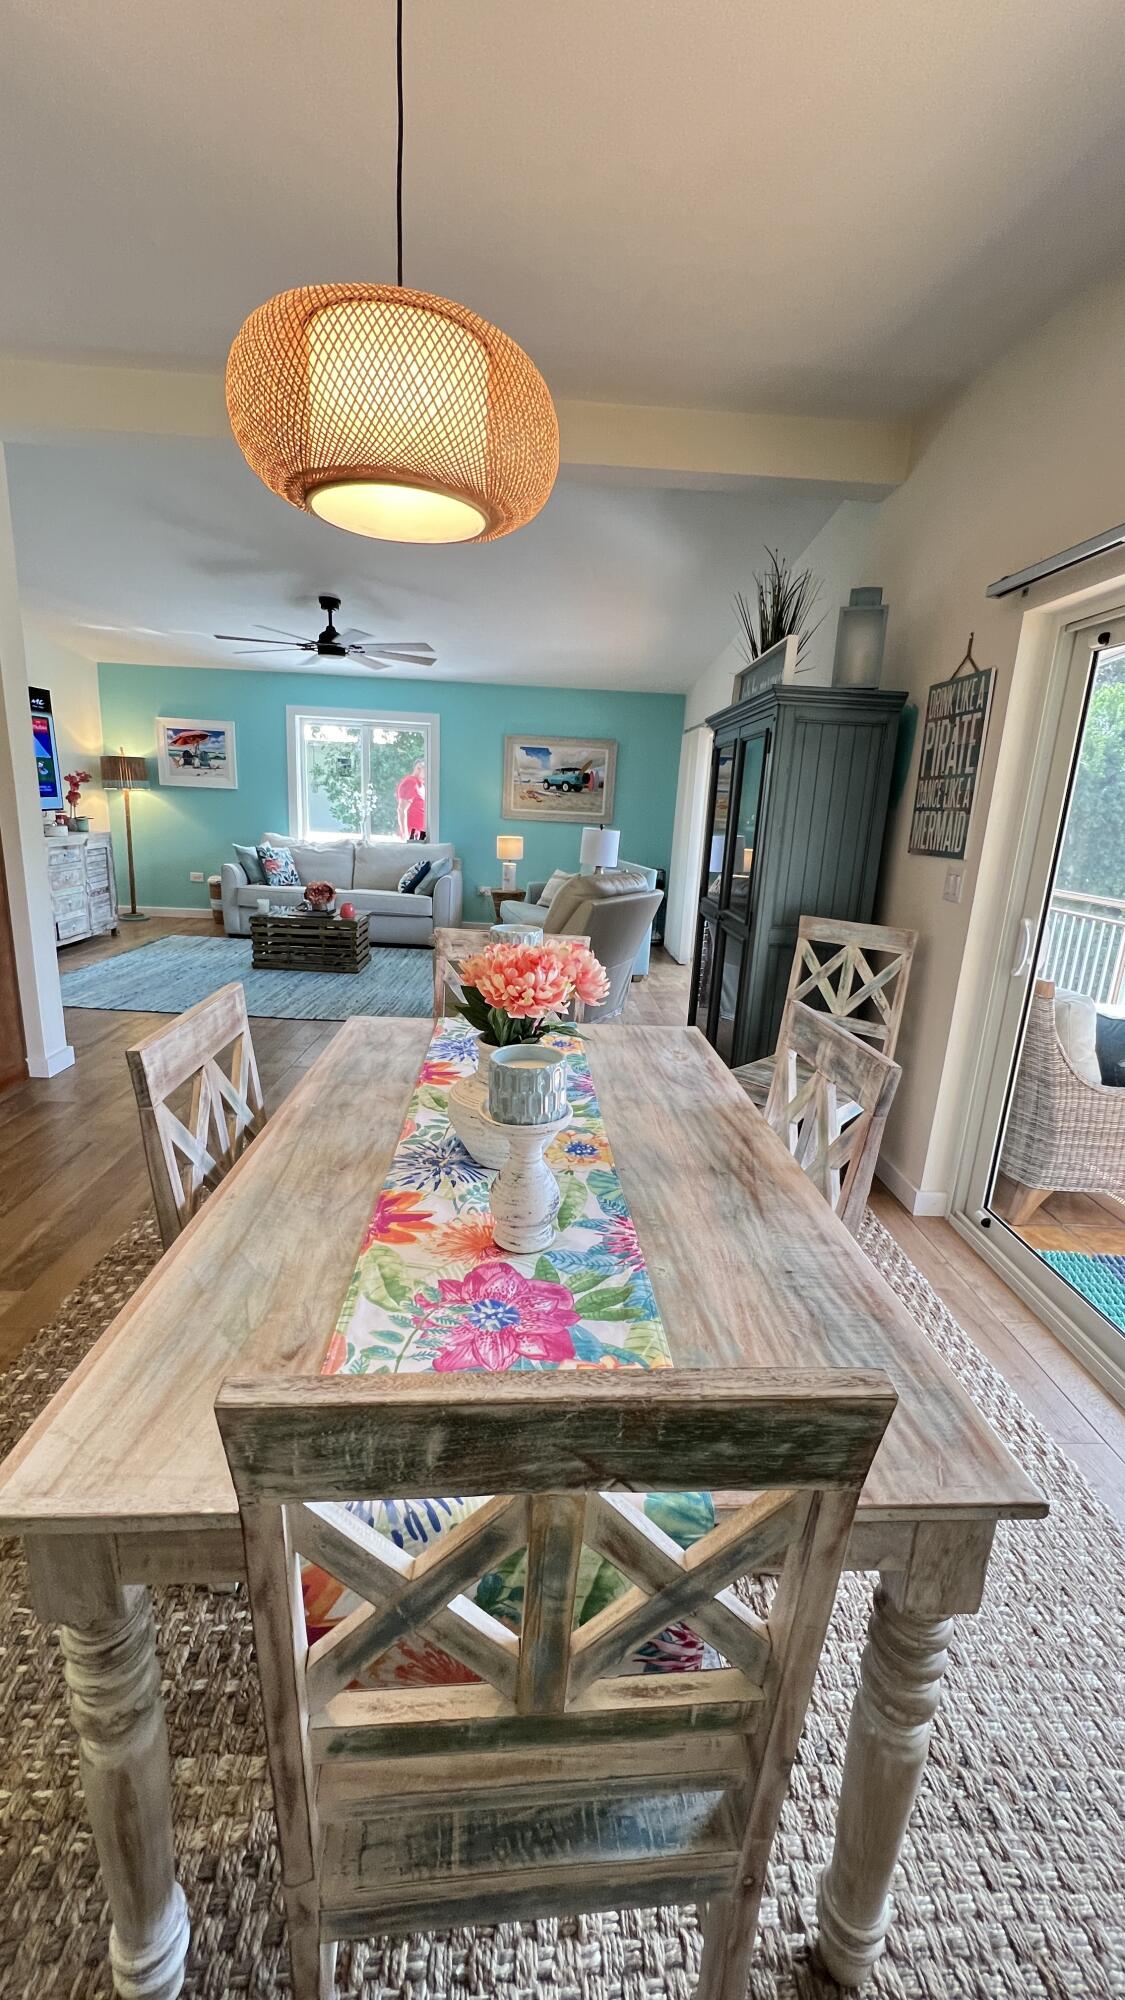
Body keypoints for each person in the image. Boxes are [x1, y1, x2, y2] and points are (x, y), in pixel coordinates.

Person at [396, 758, 427, 840]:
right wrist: (405, 835)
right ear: (418, 768)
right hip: (412, 834)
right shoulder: (411, 782)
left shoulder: (421, 785)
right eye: (426, 771)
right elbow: (401, 810)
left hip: (420, 834)